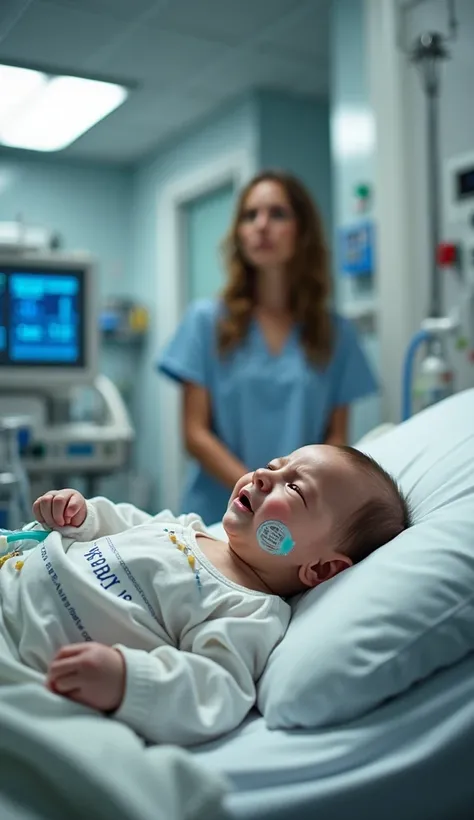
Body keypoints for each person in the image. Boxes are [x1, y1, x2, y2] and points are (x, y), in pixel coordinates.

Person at [0, 444, 410, 747]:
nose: (264, 477)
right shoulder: (188, 527)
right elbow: (122, 523)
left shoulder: (248, 613)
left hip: (20, 649)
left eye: (296, 490)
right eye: (273, 465)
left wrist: (129, 680)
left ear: (321, 569)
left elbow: (215, 690)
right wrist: (82, 515)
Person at [158, 170, 378, 525]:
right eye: (250, 215)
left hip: (296, 519)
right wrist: (257, 492)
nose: (261, 225)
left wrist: (289, 502)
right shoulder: (206, 321)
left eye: (277, 214)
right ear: (240, 234)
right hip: (217, 514)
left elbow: (335, 441)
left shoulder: (335, 333)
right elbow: (195, 434)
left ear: (301, 231)